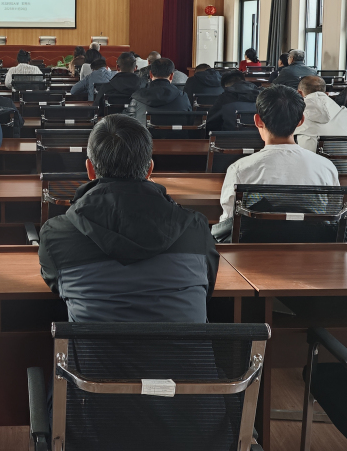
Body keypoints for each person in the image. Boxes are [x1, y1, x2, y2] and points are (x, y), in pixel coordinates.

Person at [38, 114, 218, 322]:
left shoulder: (56, 235)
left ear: (90, 170)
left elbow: (56, 286)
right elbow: (206, 290)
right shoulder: (196, 229)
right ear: (149, 169)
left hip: (96, 345)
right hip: (184, 345)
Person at [214, 85, 340, 241]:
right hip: (312, 248)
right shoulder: (326, 167)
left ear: (258, 121)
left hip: (254, 249)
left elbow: (228, 222)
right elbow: (333, 218)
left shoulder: (240, 169)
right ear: (301, 120)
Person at [293, 75, 347, 152]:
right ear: (326, 94)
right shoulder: (346, 113)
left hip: (309, 159)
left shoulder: (296, 113)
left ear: (299, 93)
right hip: (344, 159)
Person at [124, 57, 191, 125]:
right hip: (176, 132)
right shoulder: (183, 96)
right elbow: (189, 121)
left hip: (144, 132)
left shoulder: (137, 97)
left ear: (150, 74)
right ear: (171, 76)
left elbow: (129, 122)